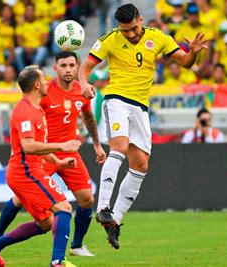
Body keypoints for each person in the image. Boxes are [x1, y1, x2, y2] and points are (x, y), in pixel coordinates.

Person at [78, 3, 207, 249]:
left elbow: (186, 63)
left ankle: (114, 221)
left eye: (134, 28)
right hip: (116, 99)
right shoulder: (110, 40)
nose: (131, 34)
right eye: (125, 30)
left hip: (141, 107)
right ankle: (103, 207)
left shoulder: (158, 38)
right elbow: (84, 68)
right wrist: (84, 83)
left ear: (140, 19)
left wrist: (194, 52)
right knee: (119, 147)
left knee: (141, 164)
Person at [0, 51, 106, 259]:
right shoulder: (43, 92)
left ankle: (76, 246)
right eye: (63, 66)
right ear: (55, 68)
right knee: (20, 200)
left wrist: (97, 145)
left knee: (87, 199)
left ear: (77, 68)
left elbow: (88, 117)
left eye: (71, 65)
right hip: (45, 154)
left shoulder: (81, 91)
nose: (68, 70)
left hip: (68, 152)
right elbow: (27, 126)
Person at [0, 66, 81, 267]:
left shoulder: (37, 109)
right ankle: (57, 262)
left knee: (46, 224)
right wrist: (62, 145)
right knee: (64, 207)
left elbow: (38, 145)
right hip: (25, 172)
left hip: (29, 171)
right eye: (44, 79)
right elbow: (28, 146)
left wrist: (58, 161)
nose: (47, 82)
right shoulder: (24, 111)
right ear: (36, 84)